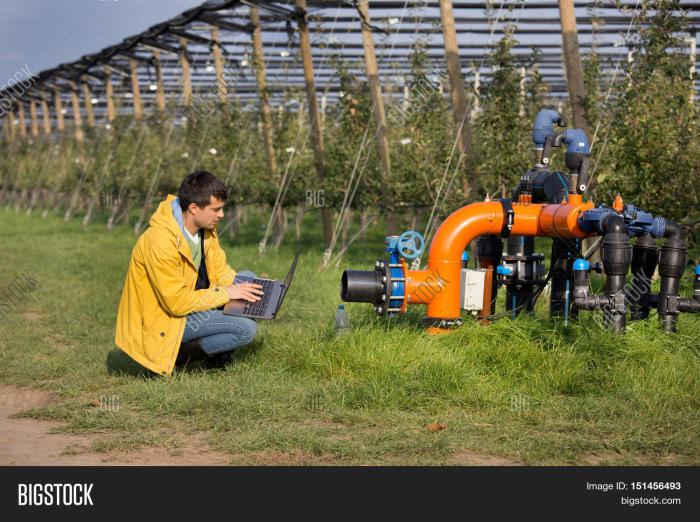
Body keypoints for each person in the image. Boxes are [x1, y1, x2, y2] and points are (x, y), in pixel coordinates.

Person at [114, 171, 263, 375]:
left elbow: (220, 271)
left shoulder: (205, 230)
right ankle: (177, 357)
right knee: (247, 329)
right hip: (167, 319)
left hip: (193, 304)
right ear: (193, 208)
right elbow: (176, 303)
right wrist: (229, 293)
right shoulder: (159, 242)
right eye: (216, 209)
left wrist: (248, 290)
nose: (221, 215)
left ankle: (218, 356)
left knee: (249, 277)